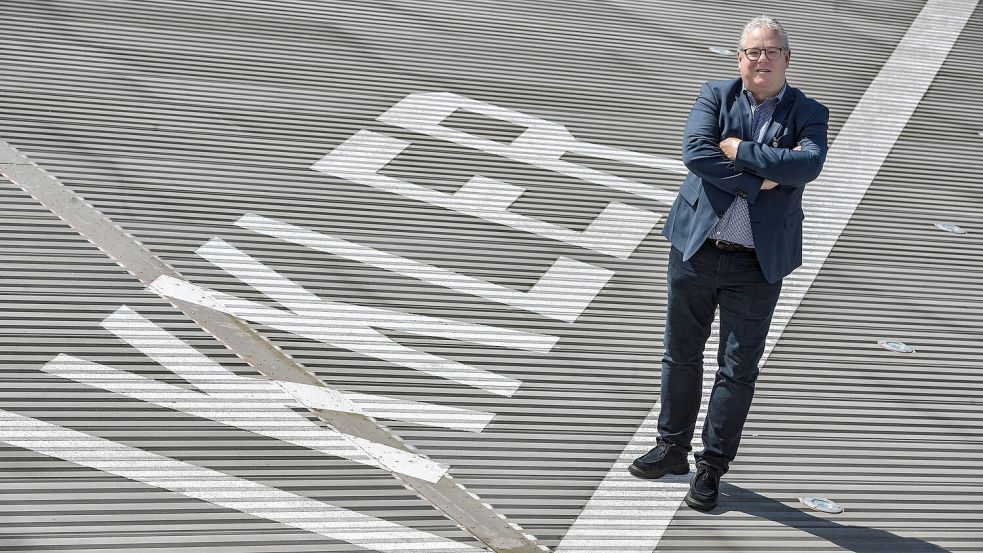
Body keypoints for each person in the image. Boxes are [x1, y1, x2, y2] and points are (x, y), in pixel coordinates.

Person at [628, 15, 829, 512]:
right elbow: (695, 153)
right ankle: (672, 447)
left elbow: (808, 165)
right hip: (696, 249)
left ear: (787, 58)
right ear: (739, 58)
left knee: (737, 370)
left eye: (771, 52)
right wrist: (755, 178)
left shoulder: (809, 111)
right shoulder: (715, 96)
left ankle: (711, 466)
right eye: (751, 52)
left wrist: (741, 149)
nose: (760, 60)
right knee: (680, 355)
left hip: (757, 265)